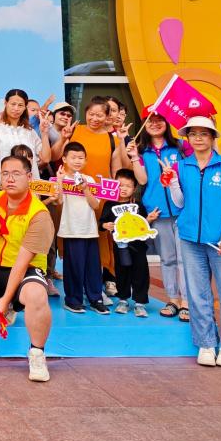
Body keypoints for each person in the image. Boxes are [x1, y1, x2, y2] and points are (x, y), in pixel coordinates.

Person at [166, 116, 221, 368]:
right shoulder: (181, 166)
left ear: (213, 137)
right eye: (193, 134)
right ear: (187, 139)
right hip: (190, 239)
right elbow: (180, 203)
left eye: (204, 133)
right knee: (197, 294)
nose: (198, 138)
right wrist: (172, 183)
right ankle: (206, 343)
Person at [0, 154, 56, 382]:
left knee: (36, 296)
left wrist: (5, 298)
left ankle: (37, 353)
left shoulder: (39, 215)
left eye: (16, 174)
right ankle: (4, 304)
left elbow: (21, 263)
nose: (10, 179)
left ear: (29, 177)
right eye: (5, 173)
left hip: (25, 269)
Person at [51, 96, 124, 300]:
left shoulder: (112, 139)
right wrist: (64, 138)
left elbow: (115, 170)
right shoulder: (75, 131)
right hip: (70, 196)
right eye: (91, 114)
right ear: (85, 113)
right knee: (73, 241)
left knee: (98, 240)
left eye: (100, 115)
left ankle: (96, 285)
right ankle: (76, 289)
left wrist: (116, 196)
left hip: (97, 198)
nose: (94, 118)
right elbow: (56, 156)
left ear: (107, 116)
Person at [129, 110, 190, 322]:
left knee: (184, 259)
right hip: (158, 212)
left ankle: (187, 302)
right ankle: (173, 300)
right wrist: (134, 157)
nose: (155, 124)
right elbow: (142, 180)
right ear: (144, 125)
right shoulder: (142, 150)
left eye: (159, 120)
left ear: (166, 123)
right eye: (150, 121)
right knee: (168, 259)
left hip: (182, 210)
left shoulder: (180, 147)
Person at [55, 142, 108, 315]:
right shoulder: (60, 179)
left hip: (89, 230)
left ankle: (96, 299)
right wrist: (60, 181)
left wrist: (85, 189)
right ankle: (73, 300)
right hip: (71, 230)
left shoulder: (89, 180)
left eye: (81, 158)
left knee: (93, 268)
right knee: (74, 268)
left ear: (85, 161)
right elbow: (58, 201)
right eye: (73, 157)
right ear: (64, 159)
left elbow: (95, 205)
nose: (77, 161)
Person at [100, 169, 156, 317]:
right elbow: (101, 223)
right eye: (120, 185)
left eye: (128, 186)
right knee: (121, 272)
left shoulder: (138, 205)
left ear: (134, 188)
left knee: (141, 273)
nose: (123, 189)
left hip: (138, 247)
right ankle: (123, 300)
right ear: (114, 185)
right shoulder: (109, 204)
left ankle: (140, 303)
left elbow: (143, 223)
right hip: (120, 247)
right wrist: (106, 225)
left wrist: (149, 219)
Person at [0, 89, 51, 197]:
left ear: (25, 107)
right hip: (3, 187)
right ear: (5, 103)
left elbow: (46, 158)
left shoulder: (30, 132)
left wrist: (44, 133)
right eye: (13, 104)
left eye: (20, 105)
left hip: (30, 189)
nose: (16, 108)